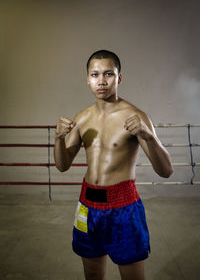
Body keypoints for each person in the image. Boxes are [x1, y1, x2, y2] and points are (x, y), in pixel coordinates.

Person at [54, 50, 173, 280]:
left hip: (124, 208)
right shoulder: (82, 118)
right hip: (87, 206)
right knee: (92, 276)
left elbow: (166, 171)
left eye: (108, 74)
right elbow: (62, 165)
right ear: (87, 79)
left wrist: (150, 137)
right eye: (95, 74)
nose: (101, 80)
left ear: (119, 78)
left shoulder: (135, 116)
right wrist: (58, 138)